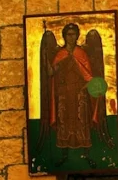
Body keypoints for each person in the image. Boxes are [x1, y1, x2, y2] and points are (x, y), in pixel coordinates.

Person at [39, 23, 108, 153]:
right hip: (64, 93)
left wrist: (85, 88)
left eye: (74, 34)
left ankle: (85, 151)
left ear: (77, 36)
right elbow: (51, 73)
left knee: (81, 118)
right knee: (64, 118)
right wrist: (46, 60)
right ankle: (64, 151)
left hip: (79, 92)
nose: (71, 37)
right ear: (64, 36)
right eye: (69, 34)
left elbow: (89, 76)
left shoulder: (81, 53)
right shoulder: (61, 54)